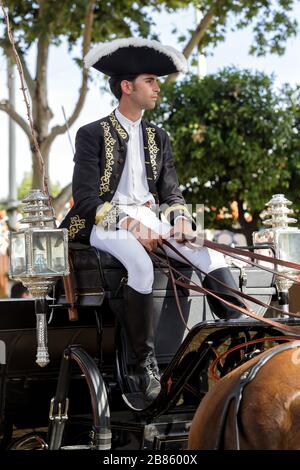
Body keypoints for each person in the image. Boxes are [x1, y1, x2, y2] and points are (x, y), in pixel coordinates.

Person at [60, 37, 245, 402]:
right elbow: (84, 199)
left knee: (212, 257)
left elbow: (172, 194)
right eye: (150, 80)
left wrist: (180, 222)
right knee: (141, 267)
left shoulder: (159, 136)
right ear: (127, 87)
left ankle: (240, 342)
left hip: (149, 217)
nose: (158, 87)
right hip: (102, 223)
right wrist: (130, 224)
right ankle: (141, 365)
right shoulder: (91, 134)